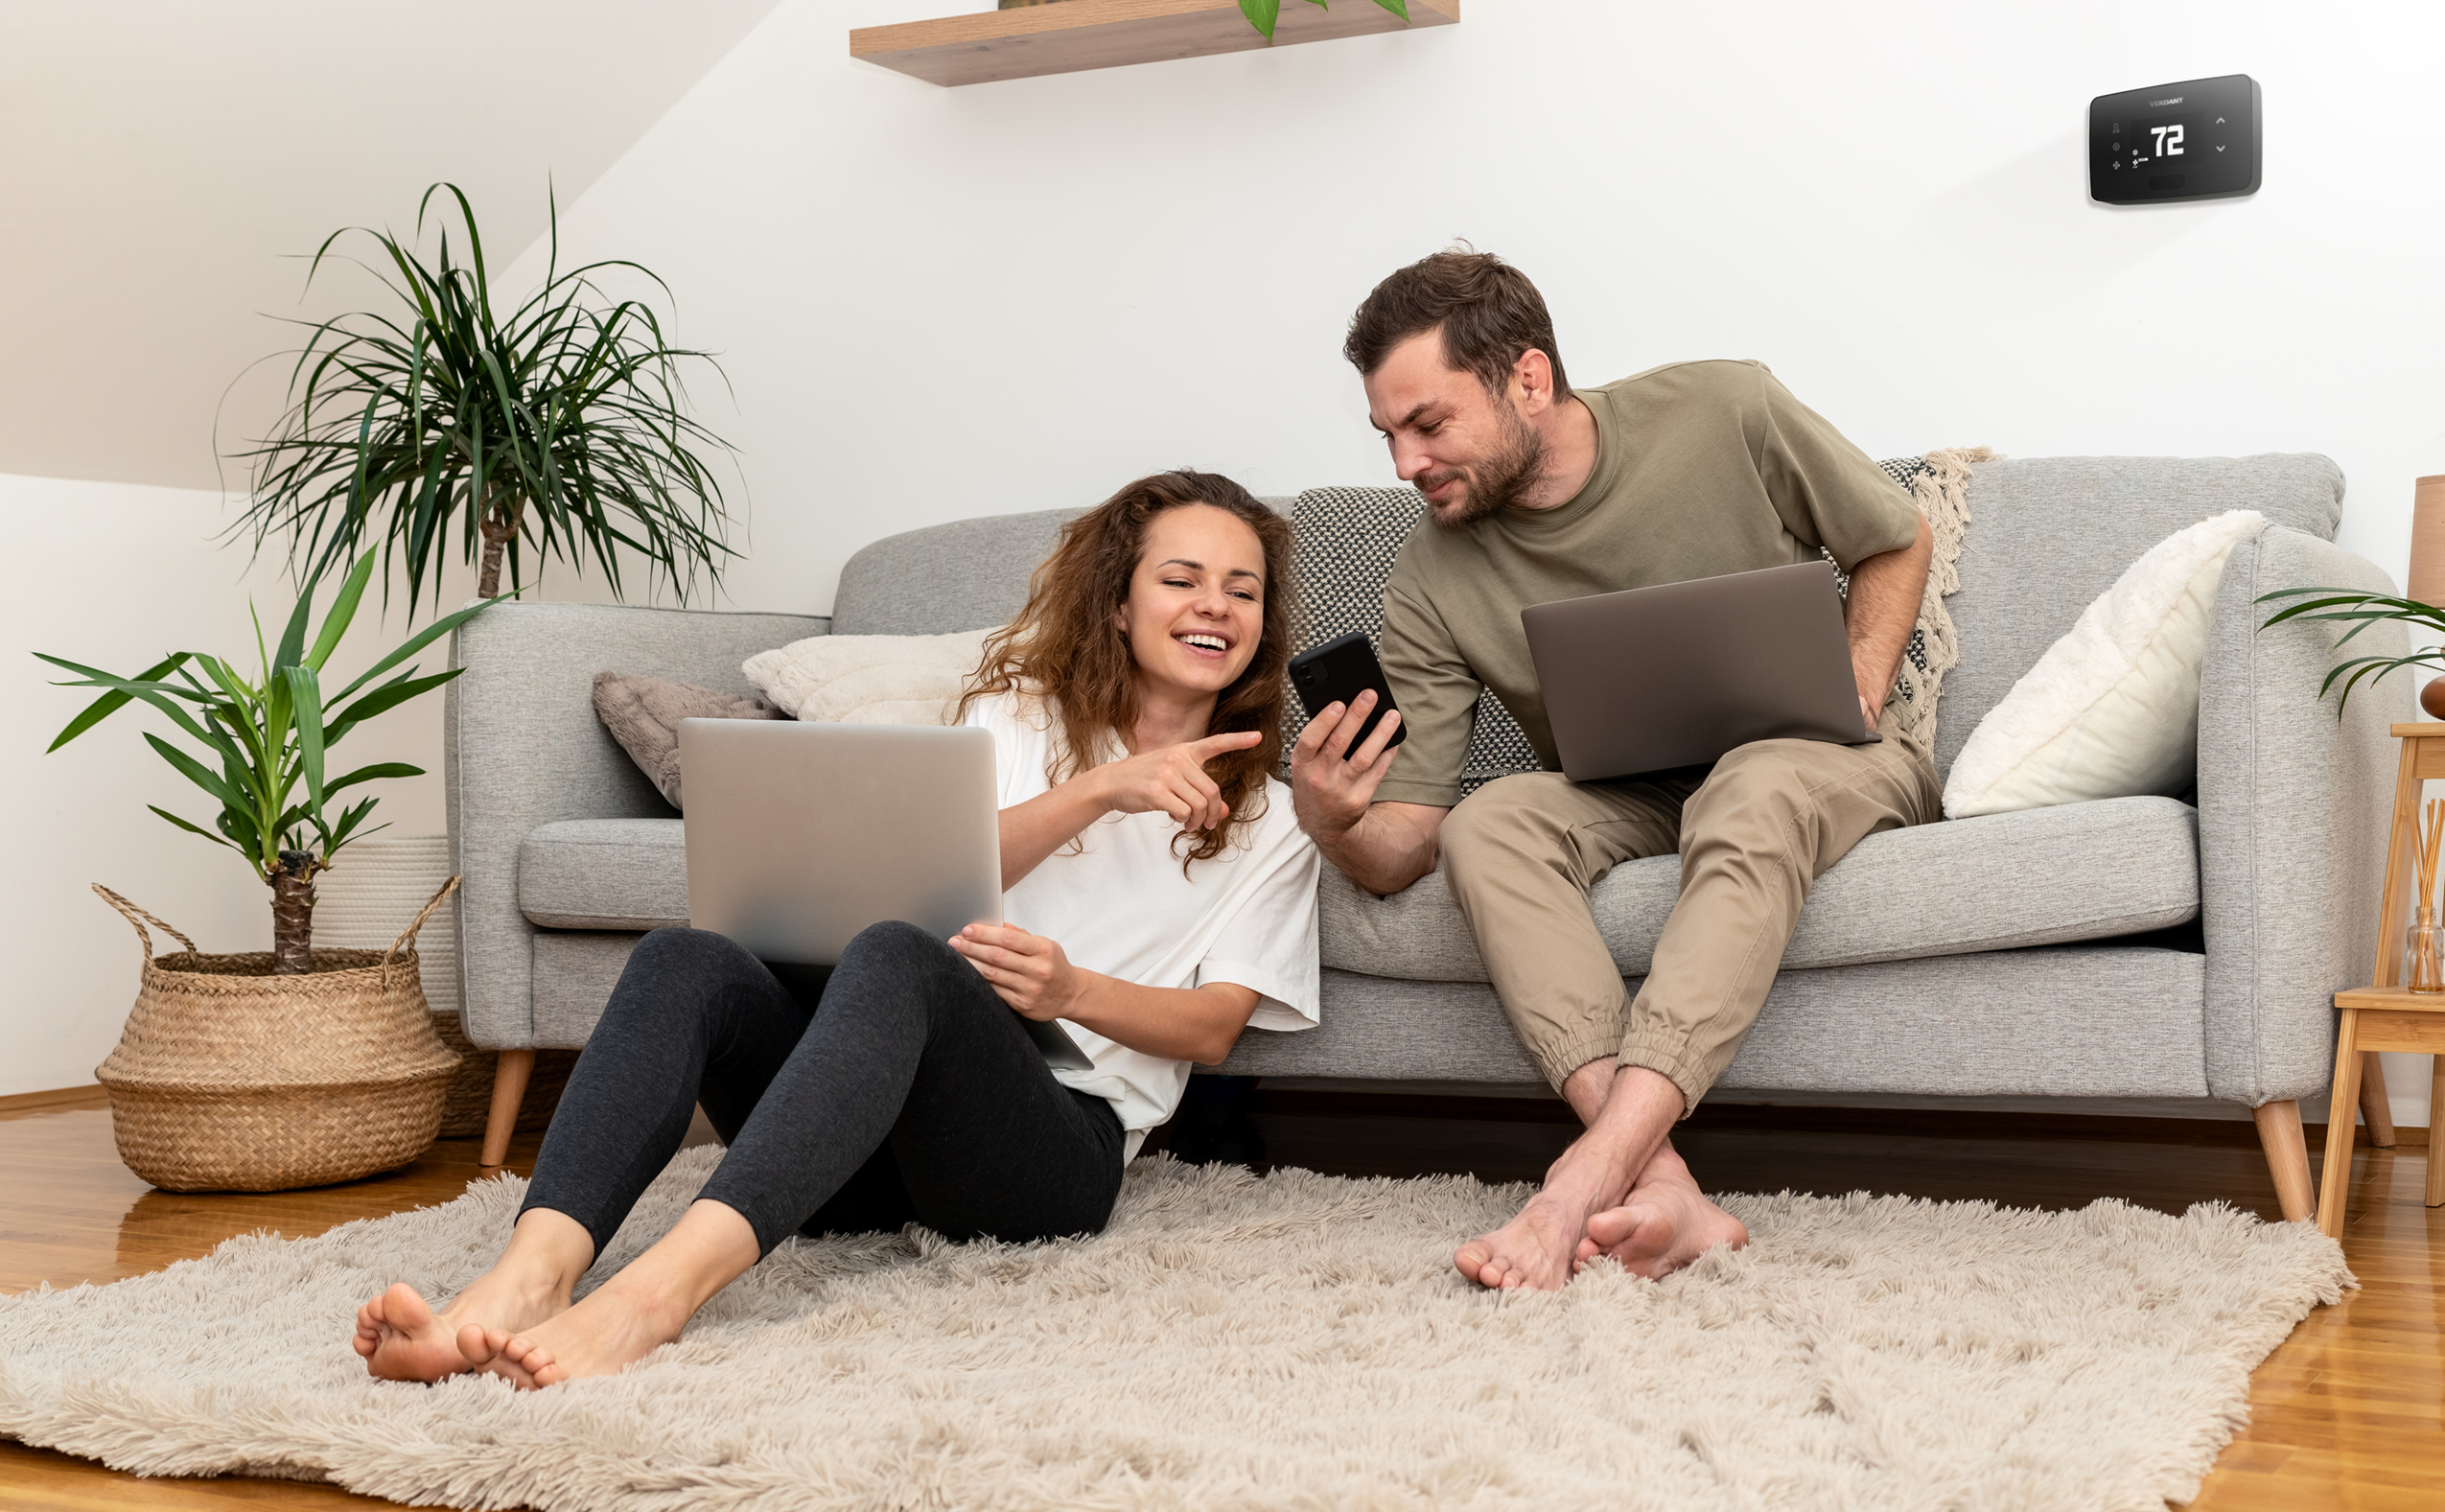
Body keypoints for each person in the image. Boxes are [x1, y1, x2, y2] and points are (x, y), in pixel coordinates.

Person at [355, 471, 1320, 1386]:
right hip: (854, 1151)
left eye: (1243, 590)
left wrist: (1069, 992)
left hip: (1050, 1151)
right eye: (1181, 579)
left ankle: (651, 1299)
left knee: (905, 956)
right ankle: (528, 1275)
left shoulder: (1276, 818)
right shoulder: (1014, 721)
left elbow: (1215, 1027)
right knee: (685, 955)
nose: (1215, 607)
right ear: (1119, 601)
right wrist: (1101, 789)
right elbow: (920, 875)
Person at [1291, 249, 1939, 1292]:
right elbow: (1405, 839)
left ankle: (1583, 1175)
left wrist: (1859, 682)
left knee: (1754, 784)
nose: (1405, 464)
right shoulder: (1432, 569)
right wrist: (1331, 818)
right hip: (1632, 788)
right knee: (1487, 821)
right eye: (1388, 435)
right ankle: (1668, 1184)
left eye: (1430, 424)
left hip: (1820, 760)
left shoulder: (1728, 407)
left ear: (1529, 381)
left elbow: (1896, 535)